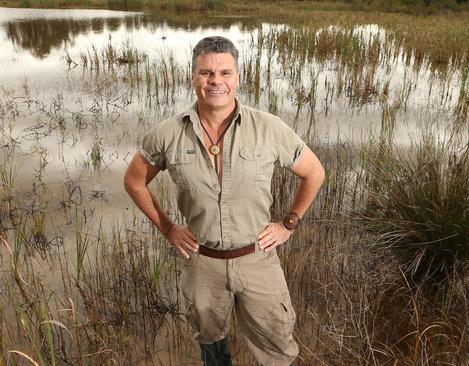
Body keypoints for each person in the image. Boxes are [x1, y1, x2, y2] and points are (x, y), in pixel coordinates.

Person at [123, 36, 325, 366]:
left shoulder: (269, 128)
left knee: (278, 348)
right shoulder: (167, 133)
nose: (216, 81)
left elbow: (314, 172)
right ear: (192, 76)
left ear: (237, 77)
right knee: (211, 342)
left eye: (224, 73)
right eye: (206, 73)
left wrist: (289, 224)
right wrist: (169, 229)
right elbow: (134, 181)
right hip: (203, 262)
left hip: (257, 258)